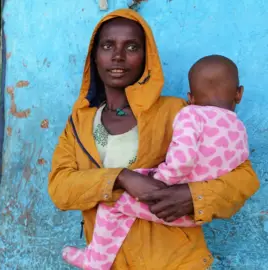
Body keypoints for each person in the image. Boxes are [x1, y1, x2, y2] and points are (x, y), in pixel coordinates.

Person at [48, 9, 259, 269]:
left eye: (132, 47)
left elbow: (244, 177)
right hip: (110, 263)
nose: (118, 56)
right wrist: (121, 177)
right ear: (94, 56)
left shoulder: (180, 112)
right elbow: (60, 188)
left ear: (148, 58)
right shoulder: (79, 123)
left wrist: (195, 197)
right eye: (107, 46)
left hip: (176, 262)